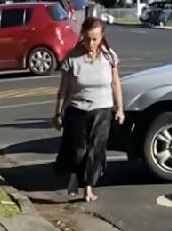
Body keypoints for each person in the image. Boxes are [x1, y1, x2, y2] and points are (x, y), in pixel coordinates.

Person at [53, 17, 124, 203]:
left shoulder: (109, 57)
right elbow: (64, 89)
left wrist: (120, 109)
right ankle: (76, 176)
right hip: (77, 109)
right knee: (79, 150)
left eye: (95, 39)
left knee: (95, 150)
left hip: (102, 108)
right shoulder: (72, 58)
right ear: (82, 36)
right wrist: (58, 112)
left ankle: (88, 188)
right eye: (87, 38)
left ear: (101, 37)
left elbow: (115, 84)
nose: (91, 43)